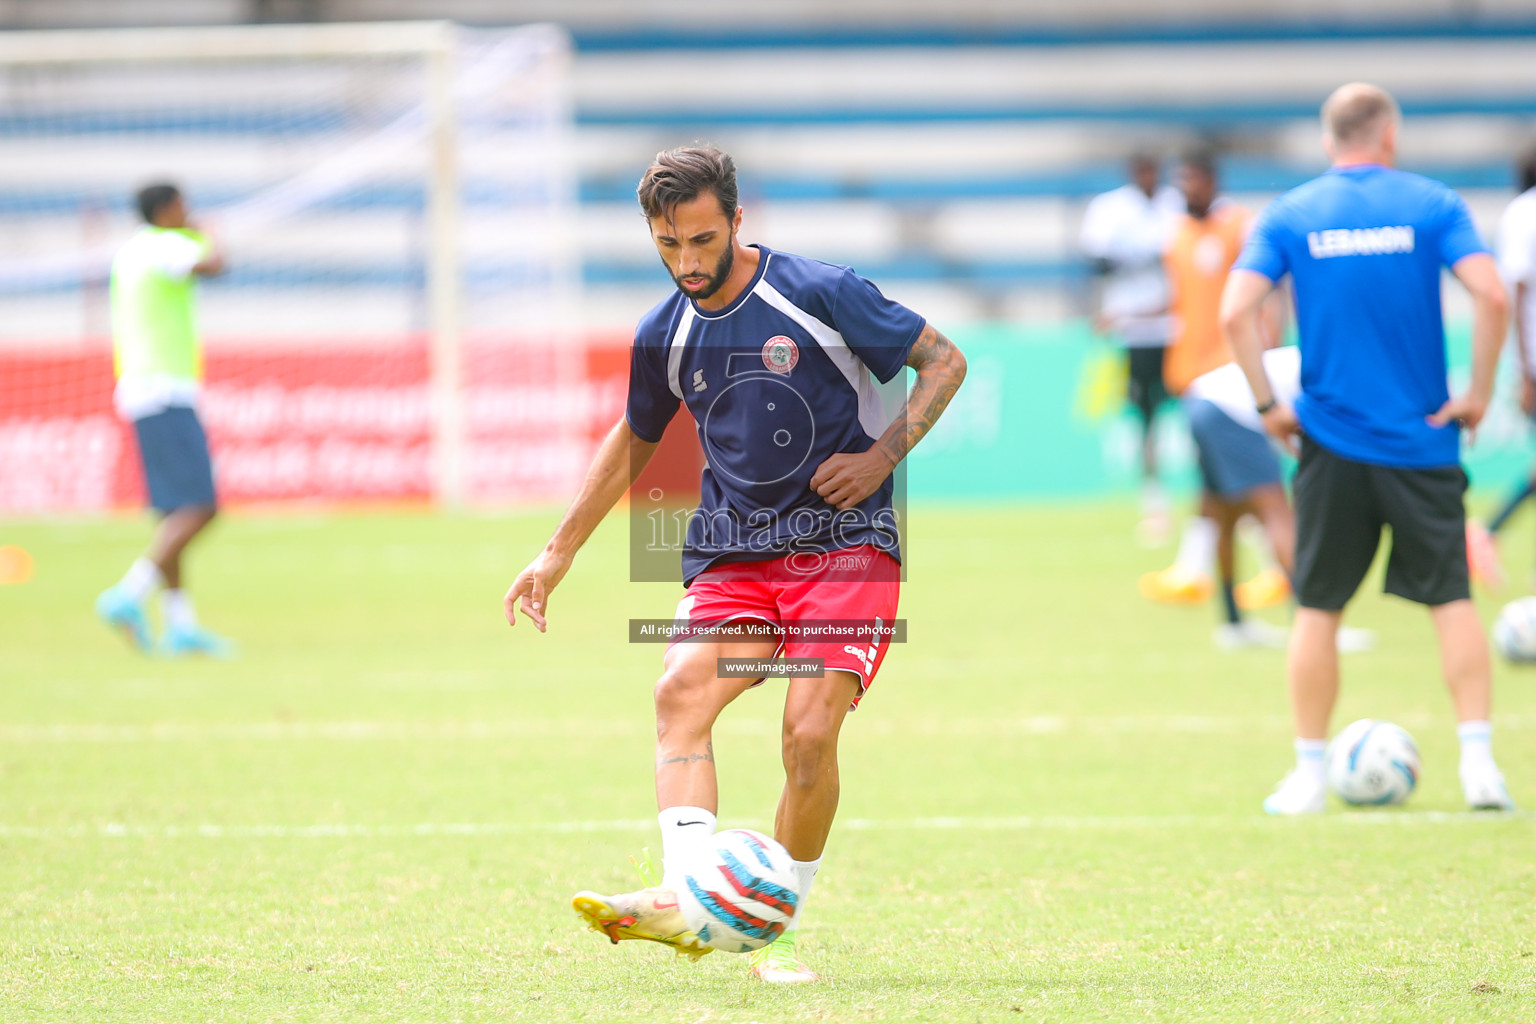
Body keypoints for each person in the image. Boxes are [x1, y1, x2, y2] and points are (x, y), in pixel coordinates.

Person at [503, 146, 966, 982]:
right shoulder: (664, 331)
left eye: (703, 240)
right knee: (679, 693)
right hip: (735, 555)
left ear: (738, 222)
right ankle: (694, 904)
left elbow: (944, 361)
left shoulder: (822, 292)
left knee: (808, 737)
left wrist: (880, 459)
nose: (687, 262)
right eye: (668, 244)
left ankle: (772, 929)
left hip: (848, 548)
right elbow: (635, 437)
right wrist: (557, 549)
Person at [1221, 83, 1514, 814]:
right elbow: (1495, 296)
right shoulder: (1432, 204)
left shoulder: (1292, 212)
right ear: (1389, 136)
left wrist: (1267, 405)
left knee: (1317, 608)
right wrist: (1477, 391)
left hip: (1330, 442)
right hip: (1424, 440)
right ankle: (1480, 767)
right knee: (1451, 599)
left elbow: (1235, 312)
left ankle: (1309, 775)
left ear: (1330, 141)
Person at [1139, 151, 1291, 626]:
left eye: (1193, 180)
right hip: (1192, 376)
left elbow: (1271, 289)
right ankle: (1229, 607)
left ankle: (1265, 585)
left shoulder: (1240, 227)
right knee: (1222, 496)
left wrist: (1268, 350)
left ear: (1212, 181)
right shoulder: (1176, 234)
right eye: (1181, 180)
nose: (1186, 189)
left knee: (1257, 497)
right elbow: (1177, 297)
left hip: (1233, 379)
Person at [95, 183, 234, 658]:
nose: (189, 211)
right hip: (165, 388)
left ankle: (180, 624)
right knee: (201, 507)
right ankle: (128, 595)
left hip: (139, 388)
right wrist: (211, 233)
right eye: (184, 205)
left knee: (175, 513)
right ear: (167, 209)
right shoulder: (163, 244)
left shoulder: (130, 251)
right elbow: (215, 266)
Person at [1080, 152, 1184, 544]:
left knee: (1195, 413)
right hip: (1133, 328)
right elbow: (1097, 263)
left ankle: (1213, 500)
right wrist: (1146, 260)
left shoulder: (1176, 204)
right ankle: (1154, 502)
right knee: (1146, 416)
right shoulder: (1110, 209)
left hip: (1177, 325)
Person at [1472, 145, 1536, 584]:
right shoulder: (1524, 215)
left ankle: (1485, 533)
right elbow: (1512, 291)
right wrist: (1524, 369)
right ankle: (1484, 533)